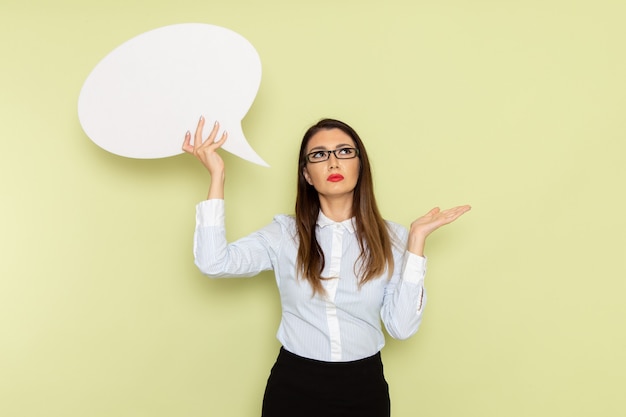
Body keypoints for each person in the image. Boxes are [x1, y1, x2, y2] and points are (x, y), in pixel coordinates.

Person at [182, 116, 470, 417]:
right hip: (294, 387)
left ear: (360, 165)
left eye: (344, 151)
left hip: (364, 388)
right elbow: (213, 263)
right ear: (307, 174)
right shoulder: (284, 234)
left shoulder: (395, 239)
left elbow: (401, 328)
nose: (333, 163)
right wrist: (217, 175)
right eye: (319, 155)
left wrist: (416, 243)